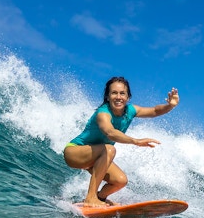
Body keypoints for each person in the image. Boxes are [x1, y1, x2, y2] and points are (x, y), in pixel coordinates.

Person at [63, 76, 179, 207]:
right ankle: (91, 198)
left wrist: (170, 105)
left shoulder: (130, 111)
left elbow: (154, 111)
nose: (118, 97)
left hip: (95, 157)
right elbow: (110, 132)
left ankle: (100, 198)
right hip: (74, 152)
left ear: (128, 97)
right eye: (114, 93)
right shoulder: (103, 113)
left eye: (122, 93)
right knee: (110, 149)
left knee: (120, 181)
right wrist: (135, 141)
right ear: (107, 96)